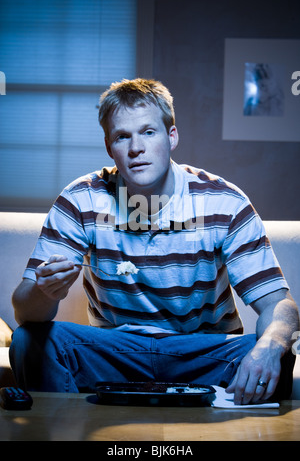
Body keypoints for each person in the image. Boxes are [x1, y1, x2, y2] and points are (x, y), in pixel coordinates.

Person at [10, 78, 299, 404]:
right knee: (28, 340)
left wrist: (270, 347)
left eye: (148, 132)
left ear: (171, 136)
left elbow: (279, 305)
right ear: (109, 147)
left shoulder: (222, 201)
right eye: (122, 136)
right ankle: (65, 429)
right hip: (116, 351)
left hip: (202, 352)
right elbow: (24, 311)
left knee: (279, 348)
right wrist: (44, 291)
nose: (136, 148)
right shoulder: (82, 199)